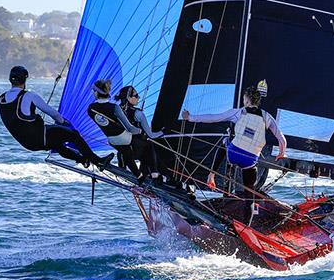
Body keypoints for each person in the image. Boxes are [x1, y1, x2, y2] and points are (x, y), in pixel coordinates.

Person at [181, 84, 286, 221]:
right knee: (250, 195)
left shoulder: (238, 112)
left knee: (225, 142)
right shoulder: (267, 117)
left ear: (247, 100)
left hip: (234, 155)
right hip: (250, 161)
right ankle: (246, 227)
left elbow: (213, 117)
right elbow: (281, 139)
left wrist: (190, 117)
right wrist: (281, 153)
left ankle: (211, 175)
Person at [0, 65, 111, 168]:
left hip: (26, 143)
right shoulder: (28, 96)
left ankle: (82, 160)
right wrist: (63, 122)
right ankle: (98, 161)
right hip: (40, 138)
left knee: (57, 143)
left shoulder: (1, 99)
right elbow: (54, 114)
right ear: (25, 79)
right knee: (74, 135)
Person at [86, 79, 146, 180]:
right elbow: (130, 128)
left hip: (111, 140)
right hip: (124, 137)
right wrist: (141, 131)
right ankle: (142, 174)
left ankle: (129, 170)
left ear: (96, 93)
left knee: (125, 151)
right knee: (146, 146)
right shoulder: (114, 107)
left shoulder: (91, 109)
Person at [117, 85, 164, 183]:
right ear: (129, 98)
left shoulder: (115, 111)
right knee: (149, 144)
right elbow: (151, 135)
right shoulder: (138, 114)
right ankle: (154, 174)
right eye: (136, 95)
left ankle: (124, 166)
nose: (138, 98)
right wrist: (163, 132)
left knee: (128, 147)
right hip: (137, 150)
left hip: (123, 150)